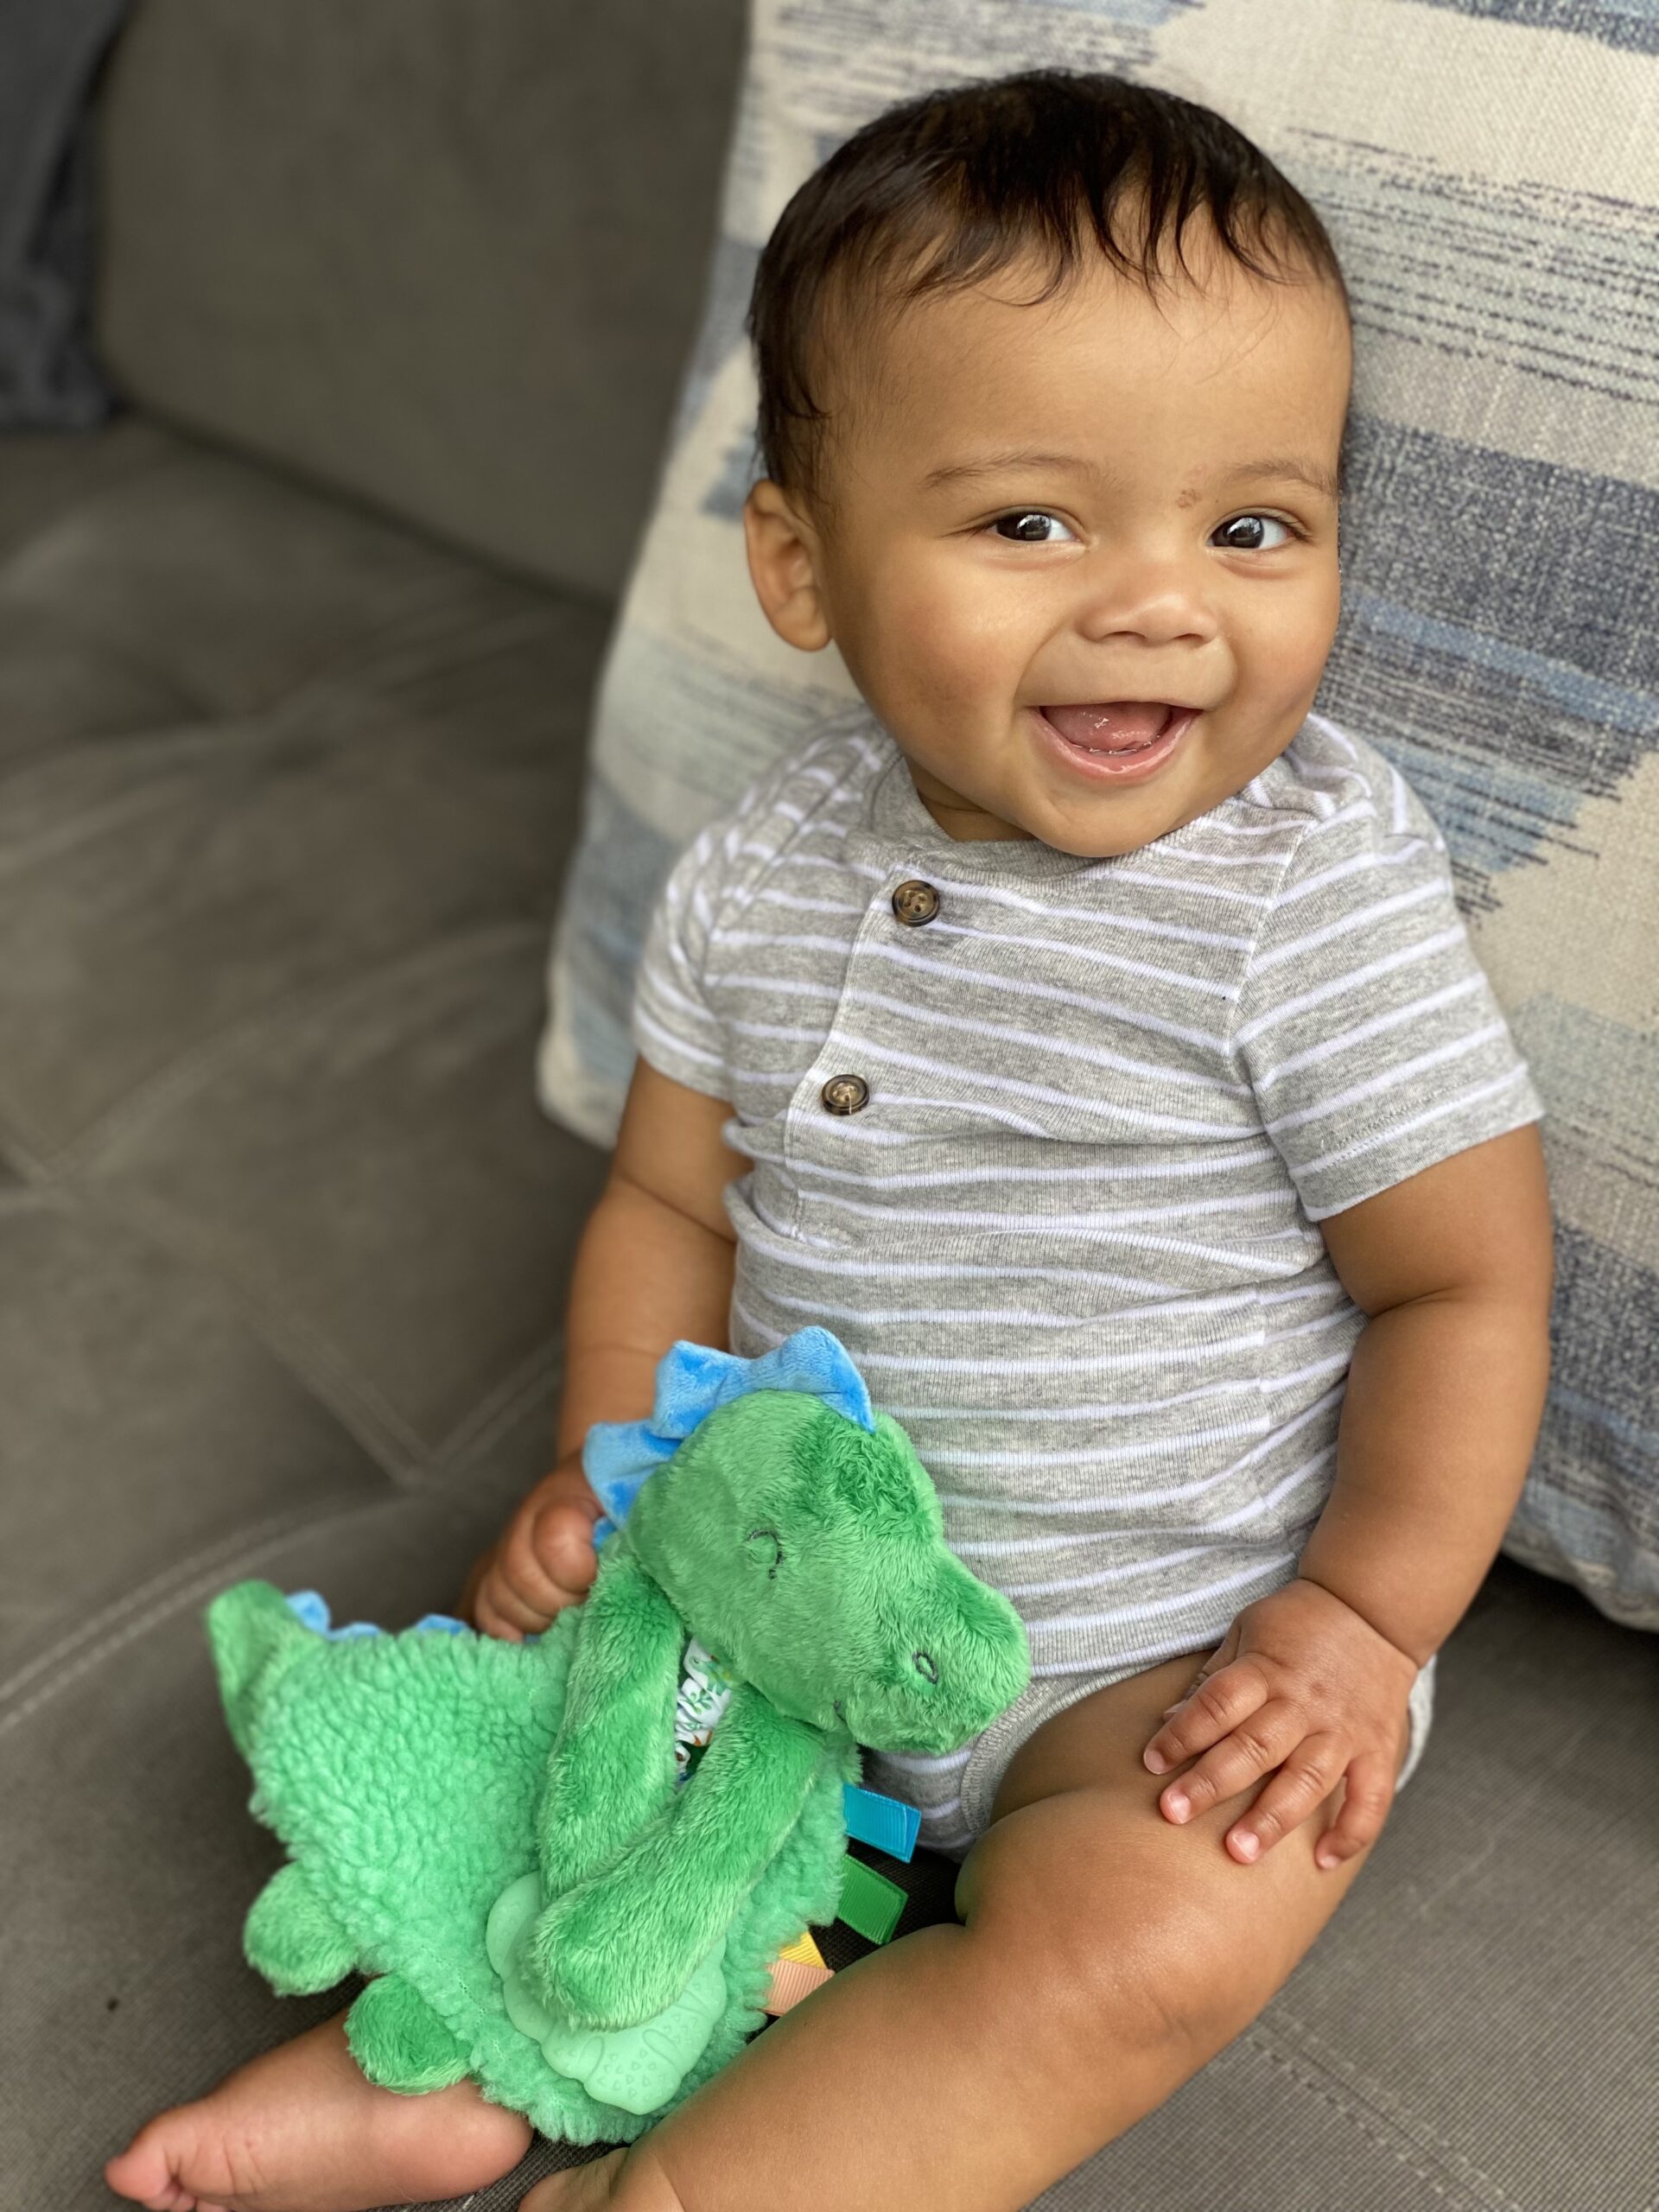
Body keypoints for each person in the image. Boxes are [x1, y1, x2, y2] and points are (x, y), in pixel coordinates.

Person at [105, 67, 1554, 2212]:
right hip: (772, 1619)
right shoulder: (761, 871)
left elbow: (1466, 1279)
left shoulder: (1308, 889)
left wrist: (1356, 1621)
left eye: (1253, 527)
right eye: (1033, 523)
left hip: (1154, 1657)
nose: (1163, 602)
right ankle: (433, 2072)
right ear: (801, 563)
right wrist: (614, 1474)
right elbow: (668, 1197)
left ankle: (692, 2184)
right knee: (550, 1783)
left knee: (1145, 1934)